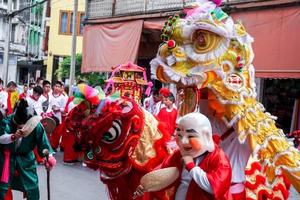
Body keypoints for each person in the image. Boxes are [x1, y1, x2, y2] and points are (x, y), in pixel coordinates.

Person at [135, 113, 232, 199]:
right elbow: (164, 171)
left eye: (190, 136)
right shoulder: (179, 154)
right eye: (180, 135)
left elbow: (214, 187)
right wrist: (146, 185)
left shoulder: (219, 159)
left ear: (205, 135)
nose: (183, 141)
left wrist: (191, 166)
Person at [0, 99, 56, 200]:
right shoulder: (6, 122)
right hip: (7, 159)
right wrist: (13, 136)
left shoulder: (36, 125)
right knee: (2, 189)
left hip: (26, 159)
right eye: (20, 125)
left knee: (32, 188)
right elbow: (1, 138)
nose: (22, 127)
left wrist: (49, 158)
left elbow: (43, 143)